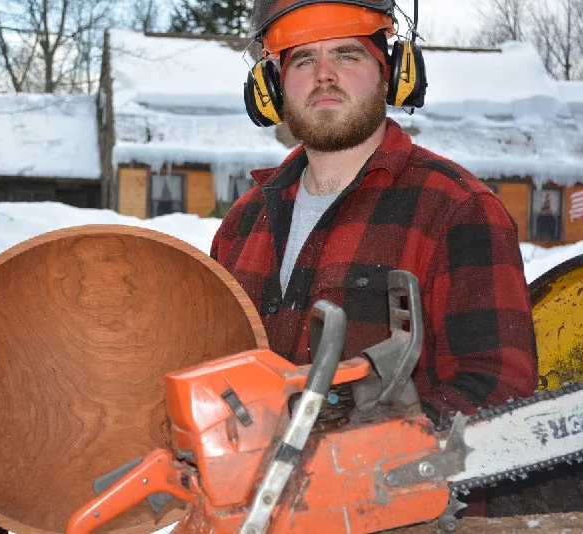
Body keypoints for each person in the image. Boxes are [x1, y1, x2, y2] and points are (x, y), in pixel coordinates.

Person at [211, 0, 537, 424]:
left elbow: (499, 391)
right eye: (304, 58)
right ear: (273, 88)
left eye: (347, 54)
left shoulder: (457, 210)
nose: (324, 74)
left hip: (391, 486)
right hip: (249, 487)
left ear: (392, 72)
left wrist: (373, 450)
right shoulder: (242, 223)